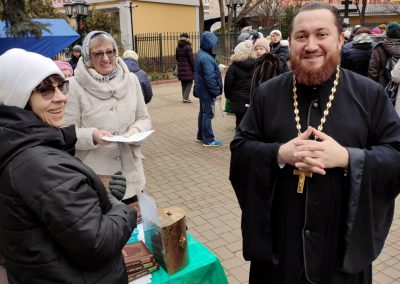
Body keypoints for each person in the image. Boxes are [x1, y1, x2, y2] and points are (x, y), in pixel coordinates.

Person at [230, 3, 400, 284]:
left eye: (322, 35)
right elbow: (240, 150)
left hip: (341, 255)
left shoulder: (370, 95)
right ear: (291, 41)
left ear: (340, 40)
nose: (311, 45)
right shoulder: (267, 93)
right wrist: (279, 154)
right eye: (301, 36)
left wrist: (348, 158)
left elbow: (395, 155)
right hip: (279, 252)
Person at [0, 48, 136, 283]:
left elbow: (54, 222)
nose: (61, 97)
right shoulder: (41, 166)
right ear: (18, 97)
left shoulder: (19, 146)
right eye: (44, 89)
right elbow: (97, 244)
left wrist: (99, 198)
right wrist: (122, 210)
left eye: (61, 86)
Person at [64, 31, 152, 209]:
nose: (106, 58)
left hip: (131, 174)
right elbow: (66, 132)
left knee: (136, 230)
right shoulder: (74, 86)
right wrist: (93, 135)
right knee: (106, 232)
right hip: (97, 178)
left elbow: (144, 118)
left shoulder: (132, 80)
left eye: (109, 52)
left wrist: (135, 131)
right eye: (98, 54)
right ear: (88, 56)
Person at [194, 31, 223, 147]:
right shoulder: (206, 58)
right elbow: (210, 77)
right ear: (208, 44)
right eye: (213, 44)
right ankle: (209, 140)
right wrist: (216, 92)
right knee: (208, 114)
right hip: (206, 91)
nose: (215, 46)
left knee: (203, 113)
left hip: (202, 90)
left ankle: (201, 136)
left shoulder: (201, 54)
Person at [224, 40, 257, 128]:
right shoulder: (257, 64)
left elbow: (228, 83)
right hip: (253, 97)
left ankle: (240, 139)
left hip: (238, 98)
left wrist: (228, 96)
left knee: (239, 122)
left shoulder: (233, 67)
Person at [368, 22, 400, 86]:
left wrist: (371, 86)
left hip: (383, 84)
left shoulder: (380, 47)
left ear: (387, 33)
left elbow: (373, 70)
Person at [175, 32, 195, 103]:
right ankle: (185, 98)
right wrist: (194, 68)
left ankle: (184, 97)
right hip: (188, 68)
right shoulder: (188, 47)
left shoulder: (177, 47)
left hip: (180, 68)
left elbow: (177, 58)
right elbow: (191, 59)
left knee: (183, 82)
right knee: (189, 82)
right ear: (187, 38)